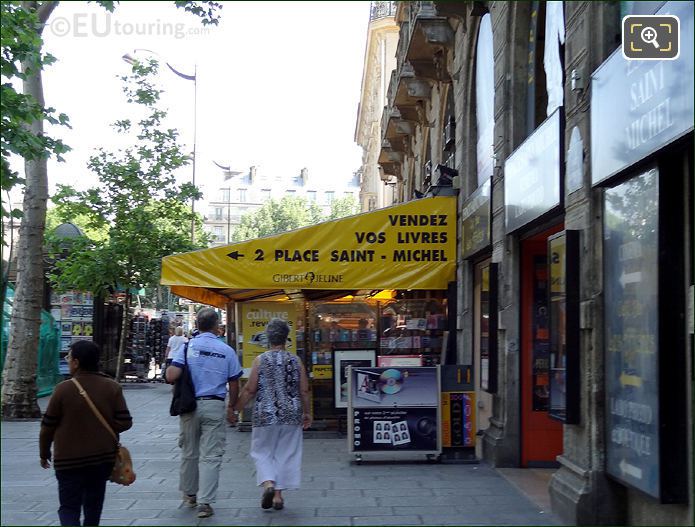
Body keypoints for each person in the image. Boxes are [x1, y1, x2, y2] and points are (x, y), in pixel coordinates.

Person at [39, 340, 133, 526]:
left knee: (68, 507)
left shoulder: (62, 389)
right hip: (101, 459)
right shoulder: (111, 387)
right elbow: (125, 422)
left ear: (76, 362)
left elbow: (47, 426)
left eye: (69, 357)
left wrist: (44, 453)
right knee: (93, 506)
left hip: (68, 460)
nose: (67, 360)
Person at [166, 308, 242, 518]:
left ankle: (190, 494)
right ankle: (205, 503)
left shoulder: (187, 346)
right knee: (211, 456)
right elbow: (234, 382)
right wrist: (232, 407)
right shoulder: (226, 350)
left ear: (197, 325)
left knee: (189, 452)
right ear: (217, 326)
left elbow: (171, 375)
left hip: (189, 406)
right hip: (215, 405)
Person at [233, 318, 311, 511]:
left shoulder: (260, 360)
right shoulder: (295, 360)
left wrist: (235, 408)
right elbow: (303, 390)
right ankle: (278, 496)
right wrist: (307, 412)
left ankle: (268, 483)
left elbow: (250, 389)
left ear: (268, 338)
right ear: (286, 338)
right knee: (286, 453)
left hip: (264, 414)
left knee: (262, 451)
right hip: (291, 414)